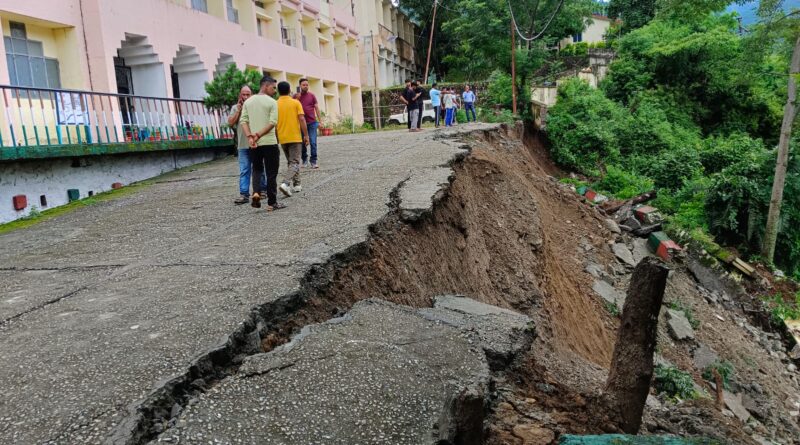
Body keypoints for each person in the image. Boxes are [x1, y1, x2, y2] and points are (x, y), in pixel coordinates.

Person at [241, 76, 285, 211]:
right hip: (269, 142)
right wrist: (258, 135)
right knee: (271, 172)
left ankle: (256, 194)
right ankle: (272, 202)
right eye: (273, 87)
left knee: (257, 169)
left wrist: (250, 137)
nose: (274, 91)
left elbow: (243, 121)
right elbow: (272, 123)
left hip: (254, 144)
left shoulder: (248, 102)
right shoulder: (272, 102)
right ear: (265, 86)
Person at [229, 85, 266, 205]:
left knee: (259, 168)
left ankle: (262, 190)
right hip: (242, 145)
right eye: (243, 94)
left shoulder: (256, 106)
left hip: (256, 142)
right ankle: (244, 194)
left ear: (252, 94)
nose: (245, 97)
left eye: (248, 94)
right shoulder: (235, 108)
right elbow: (230, 123)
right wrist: (239, 110)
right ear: (240, 95)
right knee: (244, 170)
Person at [276, 81, 309, 198]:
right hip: (294, 137)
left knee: (291, 162)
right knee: (295, 162)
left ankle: (297, 184)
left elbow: (273, 122)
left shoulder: (275, 104)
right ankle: (285, 183)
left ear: (278, 91)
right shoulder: (295, 103)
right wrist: (306, 135)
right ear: (290, 90)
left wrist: (276, 137)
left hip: (282, 137)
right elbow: (302, 119)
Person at [294, 78, 321, 169]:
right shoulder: (295, 96)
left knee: (313, 142)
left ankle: (313, 161)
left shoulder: (312, 96)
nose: (306, 86)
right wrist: (297, 98)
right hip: (300, 124)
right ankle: (304, 160)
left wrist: (320, 121)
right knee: (302, 143)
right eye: (303, 85)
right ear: (300, 86)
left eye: (307, 85)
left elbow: (316, 108)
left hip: (312, 123)